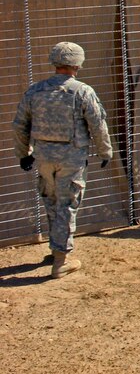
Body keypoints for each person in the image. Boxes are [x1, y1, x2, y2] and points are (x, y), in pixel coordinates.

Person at [12, 42, 112, 278]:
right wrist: (105, 151)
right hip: (71, 158)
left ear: (54, 62)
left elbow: (19, 125)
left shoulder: (35, 91)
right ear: (78, 64)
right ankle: (61, 260)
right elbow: (98, 125)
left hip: (43, 157)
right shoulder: (82, 91)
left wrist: (23, 153)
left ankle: (55, 248)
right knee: (67, 204)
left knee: (51, 200)